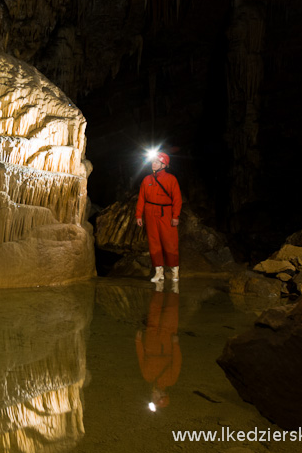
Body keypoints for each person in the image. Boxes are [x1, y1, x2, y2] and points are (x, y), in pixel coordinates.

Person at [135, 151, 182, 282]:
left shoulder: (171, 179)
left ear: (164, 164)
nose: (153, 164)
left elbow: (177, 199)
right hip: (150, 212)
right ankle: (158, 272)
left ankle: (174, 271)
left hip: (166, 212)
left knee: (170, 241)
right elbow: (141, 199)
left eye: (156, 162)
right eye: (153, 161)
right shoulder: (147, 179)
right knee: (154, 242)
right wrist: (138, 215)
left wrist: (175, 216)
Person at [136, 280, 181, 411]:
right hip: (167, 343)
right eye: (155, 398)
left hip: (151, 341)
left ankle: (159, 288)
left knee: (154, 312)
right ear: (162, 395)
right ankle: (173, 285)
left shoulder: (148, 377)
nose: (152, 396)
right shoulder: (171, 380)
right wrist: (175, 344)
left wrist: (138, 342)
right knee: (171, 312)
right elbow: (177, 362)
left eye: (153, 398)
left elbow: (141, 357)